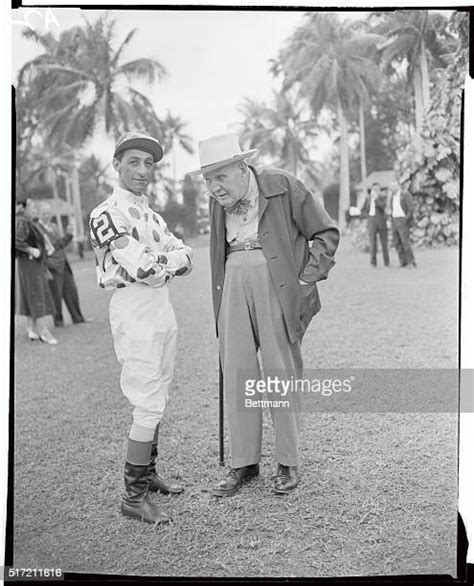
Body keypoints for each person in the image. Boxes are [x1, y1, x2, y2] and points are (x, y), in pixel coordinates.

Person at [188, 133, 339, 497]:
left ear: (243, 167)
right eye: (208, 179)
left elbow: (325, 231)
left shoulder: (281, 184)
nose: (214, 187)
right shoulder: (217, 201)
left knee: (280, 371)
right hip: (233, 280)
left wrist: (307, 277)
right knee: (238, 370)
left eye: (220, 176)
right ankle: (244, 463)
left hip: (276, 279)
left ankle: (288, 461)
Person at [89, 130, 193, 525]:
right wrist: (163, 261)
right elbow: (142, 268)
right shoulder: (105, 213)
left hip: (161, 307)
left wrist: (163, 260)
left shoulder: (151, 214)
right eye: (133, 161)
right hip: (132, 306)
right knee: (147, 400)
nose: (142, 170)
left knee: (160, 392)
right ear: (117, 164)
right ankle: (132, 498)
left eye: (149, 163)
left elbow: (186, 255)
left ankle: (147, 477)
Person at [36, 203, 91, 326]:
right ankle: (58, 321)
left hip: (64, 264)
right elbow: (44, 249)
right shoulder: (37, 229)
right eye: (44, 213)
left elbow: (60, 244)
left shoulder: (54, 226)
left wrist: (69, 235)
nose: (47, 216)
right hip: (51, 266)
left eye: (48, 213)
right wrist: (47, 264)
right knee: (56, 295)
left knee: (71, 291)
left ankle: (78, 318)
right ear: (39, 214)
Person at [15, 197, 58, 345]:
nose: (34, 208)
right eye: (32, 206)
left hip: (28, 262)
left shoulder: (25, 219)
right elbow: (15, 239)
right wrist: (31, 250)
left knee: (30, 294)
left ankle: (31, 329)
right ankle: (43, 331)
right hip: (30, 261)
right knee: (36, 294)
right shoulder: (21, 219)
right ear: (22, 207)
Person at [387, 179, 416, 268]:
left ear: (398, 186)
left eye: (395, 186)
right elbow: (392, 208)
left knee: (405, 242)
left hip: (403, 220)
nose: (393, 188)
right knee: (397, 242)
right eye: (392, 186)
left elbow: (411, 208)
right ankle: (403, 262)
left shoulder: (405, 194)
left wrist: (406, 219)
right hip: (394, 220)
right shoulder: (392, 196)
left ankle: (411, 262)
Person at [361, 182, 390, 267]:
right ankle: (373, 262)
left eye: (377, 189)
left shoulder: (383, 197)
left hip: (381, 222)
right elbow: (363, 209)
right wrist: (368, 216)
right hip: (371, 223)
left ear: (380, 189)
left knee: (384, 243)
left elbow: (383, 207)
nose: (375, 191)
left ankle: (386, 262)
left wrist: (376, 199)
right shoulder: (368, 198)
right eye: (374, 189)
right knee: (372, 243)